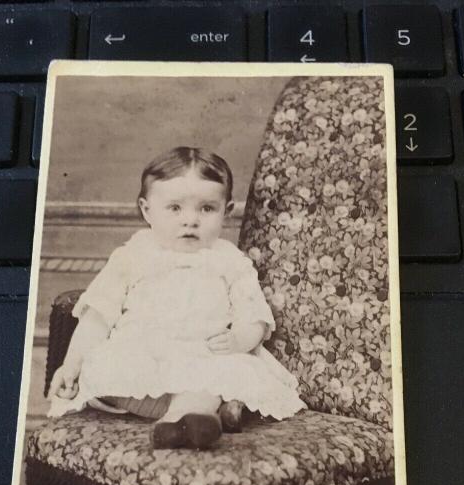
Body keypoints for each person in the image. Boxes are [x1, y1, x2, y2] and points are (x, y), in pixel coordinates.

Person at [49, 146, 305, 449]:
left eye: (207, 209)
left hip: (202, 357)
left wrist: (239, 340)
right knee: (106, 368)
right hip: (142, 359)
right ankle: (216, 412)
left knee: (213, 380)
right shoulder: (131, 256)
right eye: (175, 208)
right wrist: (72, 364)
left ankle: (181, 422)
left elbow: (255, 317)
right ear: (147, 211)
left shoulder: (230, 261)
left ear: (227, 211)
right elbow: (97, 317)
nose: (190, 220)